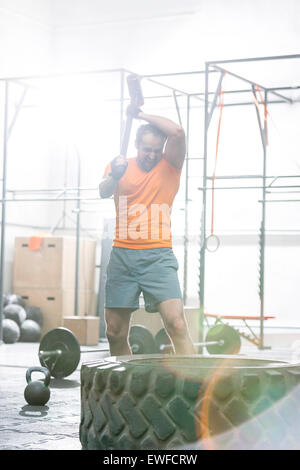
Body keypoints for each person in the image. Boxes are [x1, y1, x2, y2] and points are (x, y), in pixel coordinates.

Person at [99, 105, 195, 356]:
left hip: (158, 257)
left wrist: (139, 114)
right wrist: (114, 175)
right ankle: (124, 390)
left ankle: (196, 387)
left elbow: (177, 132)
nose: (151, 155)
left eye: (156, 150)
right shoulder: (119, 164)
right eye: (146, 150)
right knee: (114, 332)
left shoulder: (171, 164)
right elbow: (103, 191)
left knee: (177, 324)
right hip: (123, 256)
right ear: (136, 146)